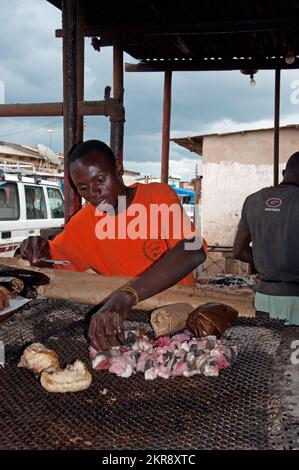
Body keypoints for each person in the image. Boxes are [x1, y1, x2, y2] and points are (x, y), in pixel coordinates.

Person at [19, 140, 207, 350]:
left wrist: (127, 296)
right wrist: (36, 250)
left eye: (100, 179)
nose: (94, 192)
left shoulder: (157, 197)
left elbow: (194, 250)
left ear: (118, 169)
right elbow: (51, 266)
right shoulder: (83, 224)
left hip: (184, 320)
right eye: (83, 188)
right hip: (128, 329)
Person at [233, 151, 299, 325]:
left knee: (266, 349)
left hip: (264, 298)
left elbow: (238, 251)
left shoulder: (253, 200)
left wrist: (267, 261)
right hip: (297, 298)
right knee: (293, 351)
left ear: (284, 174)